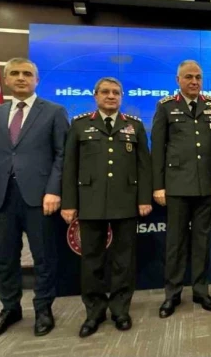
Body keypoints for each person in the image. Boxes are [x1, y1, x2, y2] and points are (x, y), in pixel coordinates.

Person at [0, 58, 68, 340]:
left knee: (44, 257)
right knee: (5, 258)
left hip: (40, 198)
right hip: (0, 198)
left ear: (37, 80)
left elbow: (62, 155)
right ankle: (9, 308)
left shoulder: (54, 111)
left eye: (27, 74)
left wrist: (54, 190)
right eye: (15, 73)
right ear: (6, 79)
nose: (21, 78)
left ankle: (43, 308)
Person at [61, 77, 152, 337]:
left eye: (116, 92)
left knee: (124, 260)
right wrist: (69, 203)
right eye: (105, 92)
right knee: (92, 260)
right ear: (96, 95)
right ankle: (95, 312)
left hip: (126, 200)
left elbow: (144, 166)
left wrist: (144, 198)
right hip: (90, 201)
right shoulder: (80, 124)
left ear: (121, 96)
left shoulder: (134, 126)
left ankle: (121, 310)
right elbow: (70, 166)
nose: (111, 96)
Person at [152, 60, 211, 318]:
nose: (194, 81)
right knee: (175, 243)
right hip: (176, 186)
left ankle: (200, 291)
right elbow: (158, 149)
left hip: (206, 185)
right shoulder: (165, 106)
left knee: (201, 241)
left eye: (198, 77)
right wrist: (158, 185)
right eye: (188, 77)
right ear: (178, 80)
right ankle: (172, 294)